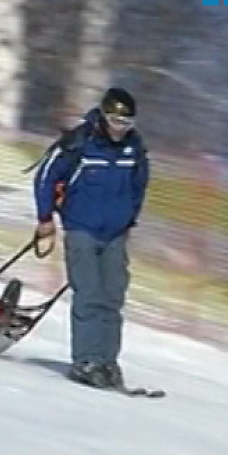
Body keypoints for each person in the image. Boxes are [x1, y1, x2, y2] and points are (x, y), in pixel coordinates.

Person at [31, 87, 149, 389]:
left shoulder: (133, 150)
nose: (121, 129)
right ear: (104, 117)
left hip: (114, 235)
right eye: (116, 122)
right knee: (89, 295)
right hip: (82, 228)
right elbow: (46, 177)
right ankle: (85, 359)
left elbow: (138, 187)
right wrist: (46, 219)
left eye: (127, 124)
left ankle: (107, 360)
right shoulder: (81, 143)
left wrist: (127, 221)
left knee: (112, 297)